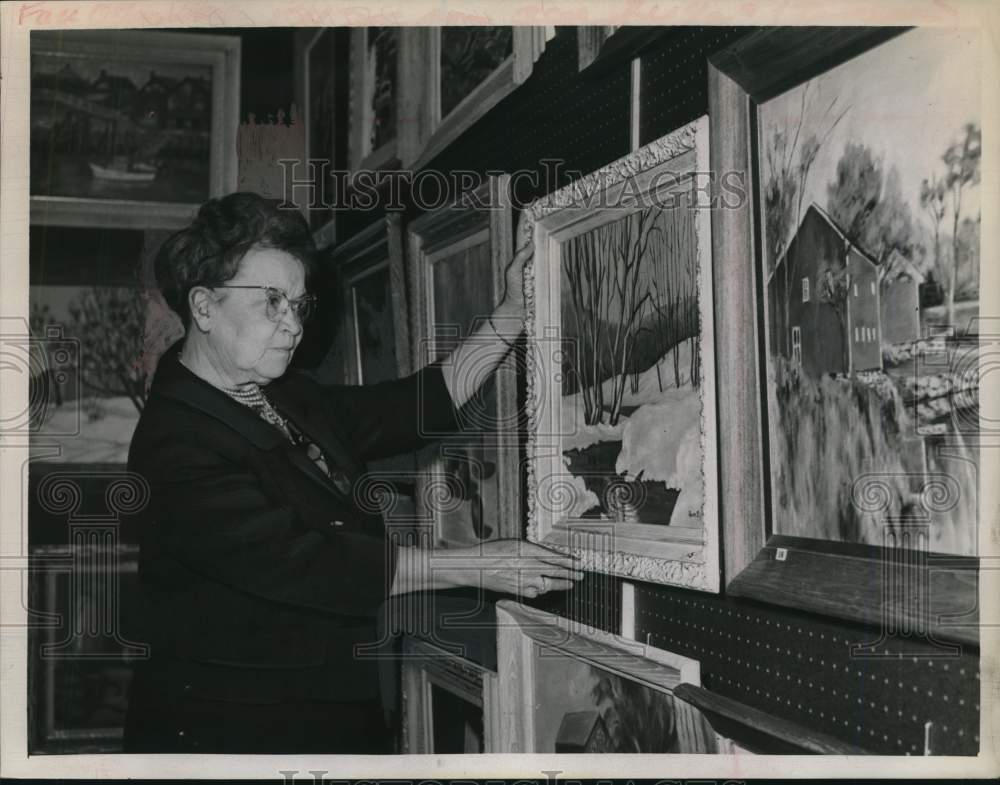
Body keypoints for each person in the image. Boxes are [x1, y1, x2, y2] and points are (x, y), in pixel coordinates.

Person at [123, 192, 582, 754]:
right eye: (272, 302)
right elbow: (308, 565)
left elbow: (412, 408)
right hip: (232, 731)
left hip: (322, 704)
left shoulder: (280, 392)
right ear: (204, 307)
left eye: (298, 304)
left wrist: (510, 314)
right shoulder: (174, 442)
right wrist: (479, 564)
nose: (292, 325)